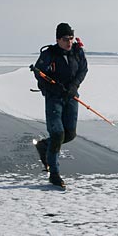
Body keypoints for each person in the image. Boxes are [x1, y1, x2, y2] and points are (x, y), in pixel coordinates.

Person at [33, 23, 88, 187]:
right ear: (58, 39)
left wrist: (74, 86)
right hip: (54, 98)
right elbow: (39, 75)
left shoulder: (77, 52)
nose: (69, 42)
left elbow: (83, 70)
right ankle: (54, 174)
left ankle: (44, 146)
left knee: (69, 134)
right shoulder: (49, 54)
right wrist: (53, 87)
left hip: (71, 97)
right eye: (65, 39)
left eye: (71, 38)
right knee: (57, 133)